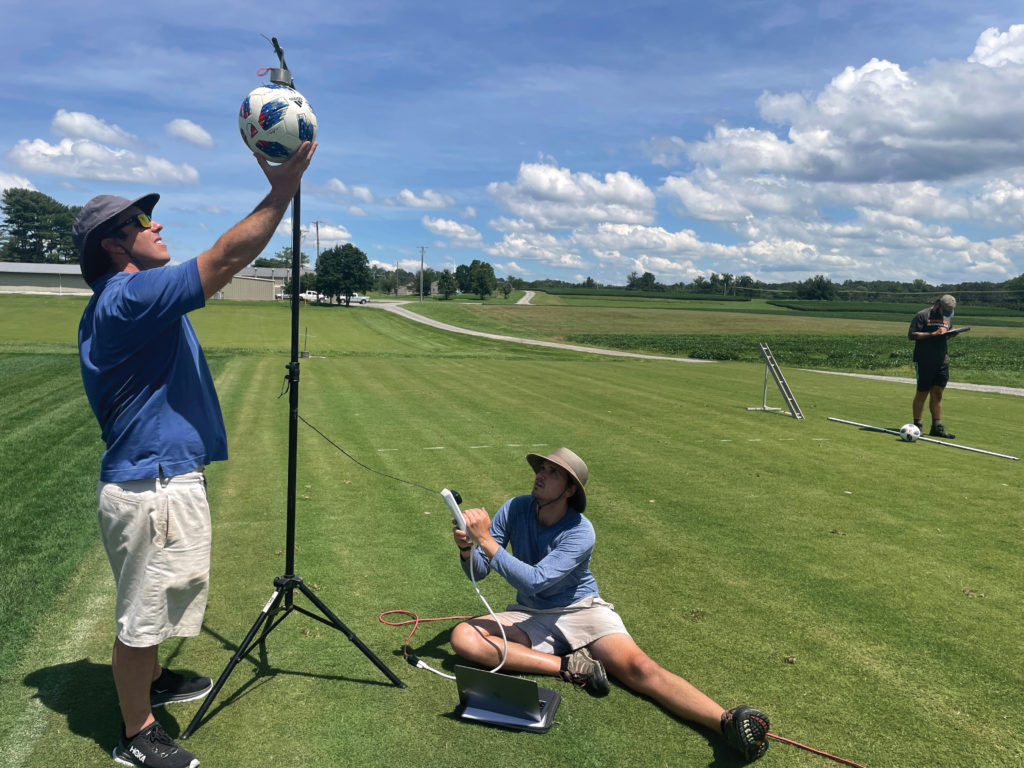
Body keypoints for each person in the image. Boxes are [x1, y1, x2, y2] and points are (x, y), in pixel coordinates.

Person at [73, 141, 317, 768]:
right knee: (142, 615)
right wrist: (282, 189)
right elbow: (226, 257)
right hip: (149, 484)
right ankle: (137, 734)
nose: (155, 225)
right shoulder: (128, 298)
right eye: (140, 222)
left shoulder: (135, 299)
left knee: (158, 598)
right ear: (114, 245)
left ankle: (149, 684)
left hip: (161, 478)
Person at [450, 447, 770, 762]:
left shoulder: (580, 531)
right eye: (541, 469)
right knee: (463, 637)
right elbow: (479, 571)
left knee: (641, 668)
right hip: (531, 613)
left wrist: (486, 541)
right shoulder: (515, 508)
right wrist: (468, 550)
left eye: (552, 473)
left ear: (570, 489)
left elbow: (535, 580)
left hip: (582, 609)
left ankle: (725, 721)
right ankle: (570, 666)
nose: (540, 476)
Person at [907, 294, 957, 439]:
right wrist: (933, 333)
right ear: (938, 305)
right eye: (945, 311)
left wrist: (950, 334)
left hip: (942, 360)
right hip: (924, 360)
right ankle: (917, 425)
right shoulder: (922, 315)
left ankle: (937, 426)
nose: (946, 315)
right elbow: (911, 335)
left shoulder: (948, 317)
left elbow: (946, 332)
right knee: (922, 392)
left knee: (938, 393)